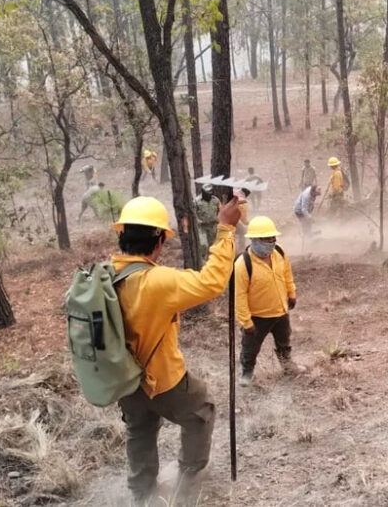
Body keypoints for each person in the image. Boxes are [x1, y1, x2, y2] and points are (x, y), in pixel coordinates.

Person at [110, 194, 242, 506]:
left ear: (122, 236)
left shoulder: (106, 275)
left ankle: (141, 492)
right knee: (201, 409)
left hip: (121, 378)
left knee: (139, 429)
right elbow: (212, 282)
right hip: (162, 378)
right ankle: (190, 475)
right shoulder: (158, 281)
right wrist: (225, 229)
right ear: (159, 241)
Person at [235, 216, 301, 384]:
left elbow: (287, 274)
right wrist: (246, 322)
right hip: (258, 317)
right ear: (254, 240)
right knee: (250, 347)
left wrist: (291, 293)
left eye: (272, 238)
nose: (271, 242)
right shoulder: (243, 264)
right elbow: (239, 296)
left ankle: (287, 367)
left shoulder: (279, 252)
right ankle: (247, 373)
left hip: (280, 311)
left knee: (284, 342)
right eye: (266, 239)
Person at [194, 184, 221, 266]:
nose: (209, 194)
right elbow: (193, 214)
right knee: (203, 244)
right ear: (203, 192)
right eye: (207, 192)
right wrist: (198, 221)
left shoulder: (215, 200)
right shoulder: (197, 201)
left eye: (210, 192)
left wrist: (218, 219)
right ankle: (203, 262)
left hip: (213, 226)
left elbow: (220, 210)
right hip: (202, 227)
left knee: (212, 245)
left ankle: (211, 263)